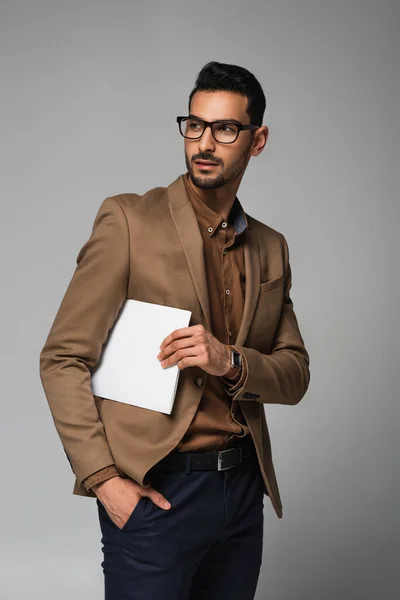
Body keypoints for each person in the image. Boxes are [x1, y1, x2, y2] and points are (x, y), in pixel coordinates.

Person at [39, 60, 310, 600]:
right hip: (158, 489)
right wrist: (104, 481)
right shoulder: (130, 221)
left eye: (225, 129)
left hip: (241, 490)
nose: (204, 143)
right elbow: (62, 358)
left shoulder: (270, 247)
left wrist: (228, 360)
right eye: (195, 125)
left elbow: (295, 375)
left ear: (256, 141)